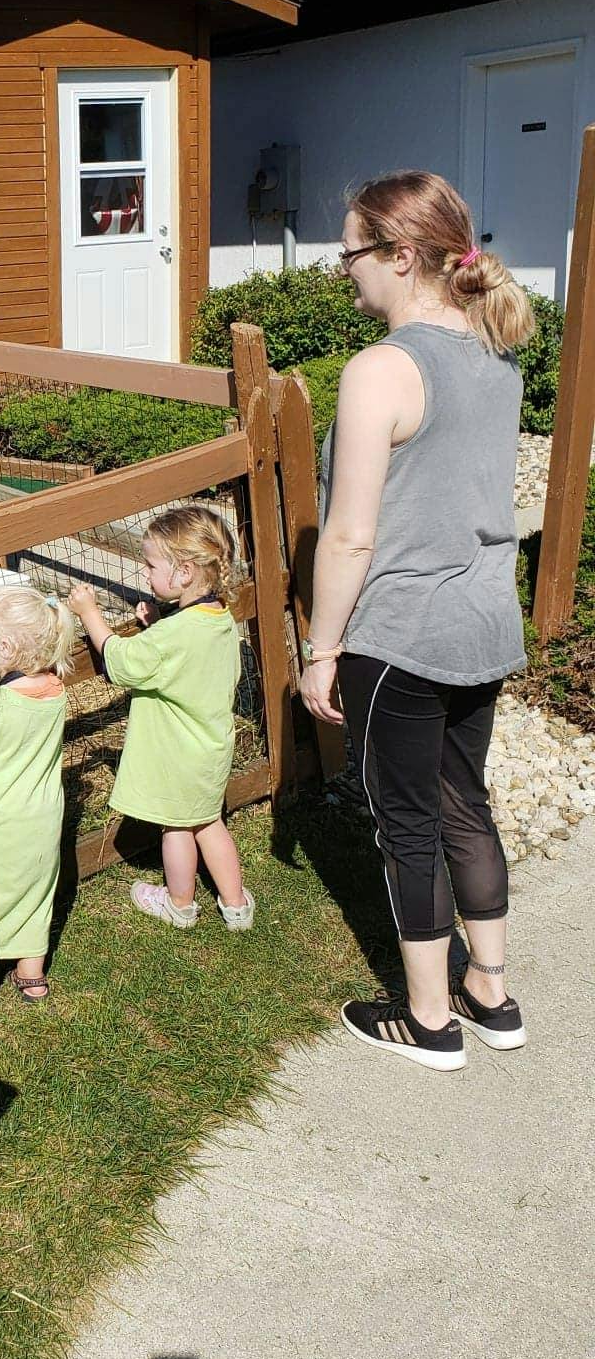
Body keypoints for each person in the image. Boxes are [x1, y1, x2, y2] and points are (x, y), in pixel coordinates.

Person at [301, 172, 535, 1071]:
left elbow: (351, 534)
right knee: (463, 805)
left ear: (401, 256)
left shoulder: (381, 370)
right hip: (483, 627)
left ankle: (430, 1020)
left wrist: (324, 651)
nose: (346, 274)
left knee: (406, 824)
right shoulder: (495, 350)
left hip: (402, 634)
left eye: (351, 255)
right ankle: (493, 991)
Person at [70, 507, 252, 931]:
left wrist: (89, 614)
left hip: (178, 757)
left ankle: (180, 904)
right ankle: (236, 905)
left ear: (185, 571)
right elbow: (183, 655)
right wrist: (157, 624)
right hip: (211, 749)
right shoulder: (218, 617)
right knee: (209, 823)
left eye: (151, 564)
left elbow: (123, 662)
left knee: (176, 829)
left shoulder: (174, 635)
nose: (146, 572)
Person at [0, 584, 78, 1007]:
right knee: (35, 893)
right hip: (43, 817)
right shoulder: (56, 692)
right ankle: (32, 974)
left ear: (5, 648)